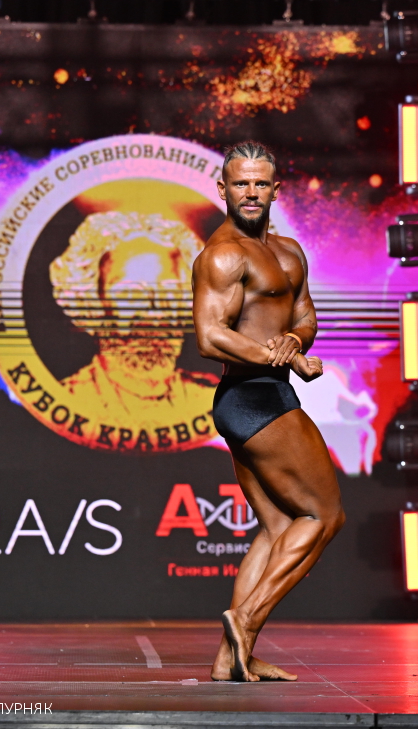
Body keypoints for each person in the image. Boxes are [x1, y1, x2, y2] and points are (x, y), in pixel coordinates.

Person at [192, 141, 344, 682]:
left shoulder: (288, 251)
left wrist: (293, 341)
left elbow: (305, 316)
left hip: (265, 394)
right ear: (223, 189)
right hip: (253, 397)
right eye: (241, 183)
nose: (250, 192)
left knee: (279, 525)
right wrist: (281, 359)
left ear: (276, 190)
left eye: (260, 183)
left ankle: (230, 659)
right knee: (323, 517)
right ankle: (247, 618)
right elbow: (210, 337)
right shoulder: (222, 255)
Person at [50, 210, 216, 420]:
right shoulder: (68, 401)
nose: (153, 311)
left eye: (169, 292)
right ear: (92, 302)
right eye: (130, 294)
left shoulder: (210, 399)